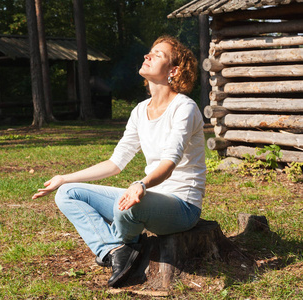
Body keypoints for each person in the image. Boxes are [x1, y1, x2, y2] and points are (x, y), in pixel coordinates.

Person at [32, 35, 206, 288]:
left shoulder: (185, 108)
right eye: (149, 52)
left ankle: (126, 247)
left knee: (127, 207)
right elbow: (115, 163)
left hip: (182, 205)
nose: (147, 56)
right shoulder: (139, 110)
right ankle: (115, 252)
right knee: (67, 193)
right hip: (145, 196)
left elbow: (170, 162)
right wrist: (64, 178)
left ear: (174, 70)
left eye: (157, 55)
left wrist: (141, 184)